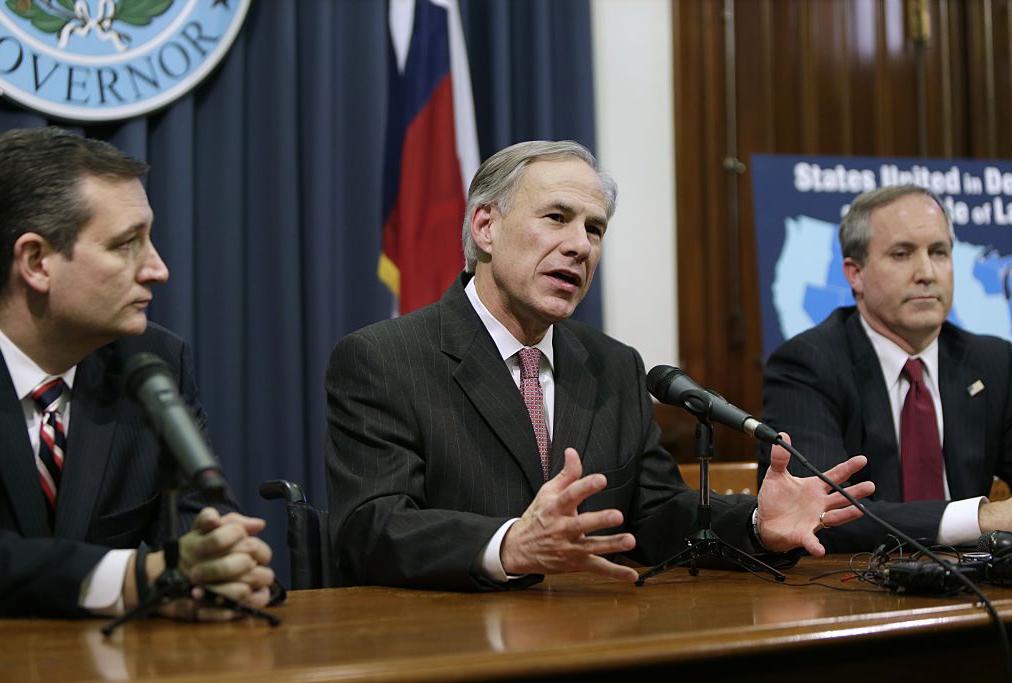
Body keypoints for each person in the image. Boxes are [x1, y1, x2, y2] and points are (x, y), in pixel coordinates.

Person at [325, 140, 874, 590]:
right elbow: (372, 526)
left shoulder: (613, 366)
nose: (579, 246)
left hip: (592, 636)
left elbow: (655, 514)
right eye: (556, 218)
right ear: (486, 227)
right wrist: (508, 545)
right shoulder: (384, 358)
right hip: (447, 644)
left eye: (594, 229)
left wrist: (756, 525)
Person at [0, 127, 276, 618]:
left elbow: (199, 532)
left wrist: (224, 567)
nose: (157, 269)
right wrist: (132, 578)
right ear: (36, 261)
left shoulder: (153, 364)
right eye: (127, 245)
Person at [759, 184, 1012, 552]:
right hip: (855, 588)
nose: (926, 272)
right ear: (855, 274)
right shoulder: (806, 364)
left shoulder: (993, 362)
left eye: (939, 252)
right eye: (902, 254)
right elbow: (815, 513)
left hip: (974, 585)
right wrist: (981, 518)